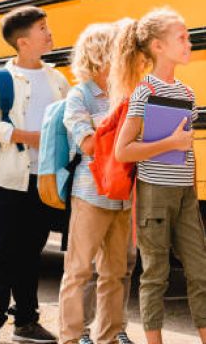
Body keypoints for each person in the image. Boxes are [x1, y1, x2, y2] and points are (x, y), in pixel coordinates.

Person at [112, 8, 206, 344]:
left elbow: (187, 149)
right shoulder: (144, 91)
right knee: (156, 274)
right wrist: (169, 143)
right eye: (182, 38)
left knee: (201, 271)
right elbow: (122, 150)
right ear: (158, 46)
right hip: (155, 193)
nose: (189, 43)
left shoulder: (187, 94)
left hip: (185, 194)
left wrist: (194, 191)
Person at [0, 6, 70, 344]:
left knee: (31, 251)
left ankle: (26, 321)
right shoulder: (1, 79)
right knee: (2, 250)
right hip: (9, 178)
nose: (49, 32)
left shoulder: (57, 79)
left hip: (44, 178)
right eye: (42, 28)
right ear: (23, 41)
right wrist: (26, 136)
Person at [59, 21, 137, 344]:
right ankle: (70, 338)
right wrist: (122, 126)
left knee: (115, 273)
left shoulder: (126, 93)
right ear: (101, 55)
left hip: (123, 195)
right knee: (78, 271)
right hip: (90, 193)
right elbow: (89, 145)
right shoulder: (79, 96)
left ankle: (108, 336)